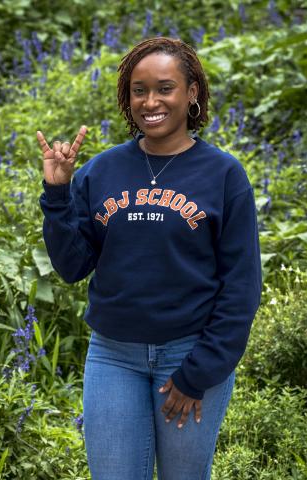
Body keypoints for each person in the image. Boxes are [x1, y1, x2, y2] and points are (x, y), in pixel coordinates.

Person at [38, 36, 262, 480]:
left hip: (191, 353)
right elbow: (72, 266)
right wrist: (58, 194)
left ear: (191, 93)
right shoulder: (101, 171)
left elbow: (241, 286)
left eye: (165, 88)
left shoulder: (224, 175)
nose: (150, 101)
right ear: (127, 97)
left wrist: (198, 373)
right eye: (139, 90)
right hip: (113, 356)